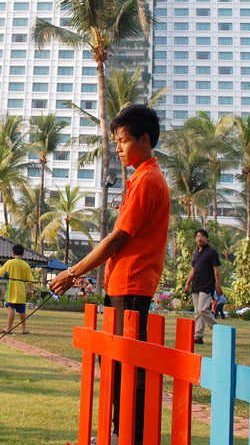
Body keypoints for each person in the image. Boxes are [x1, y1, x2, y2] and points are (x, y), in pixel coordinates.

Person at [49, 105, 170, 445]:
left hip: (131, 285)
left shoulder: (147, 181)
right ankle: (120, 433)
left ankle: (129, 435)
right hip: (124, 284)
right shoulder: (141, 178)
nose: (117, 147)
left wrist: (73, 272)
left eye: (123, 140)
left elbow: (117, 238)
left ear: (144, 141)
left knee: (127, 367)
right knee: (117, 365)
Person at [0, 244, 34, 334]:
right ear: (23, 254)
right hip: (21, 292)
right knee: (22, 311)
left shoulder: (9, 263)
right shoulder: (26, 265)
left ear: (13, 253)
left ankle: (9, 328)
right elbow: (30, 280)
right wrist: (31, 291)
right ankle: (24, 329)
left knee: (11, 308)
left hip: (12, 290)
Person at [184, 228, 222, 343]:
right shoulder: (196, 253)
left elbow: (216, 270)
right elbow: (193, 270)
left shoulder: (212, 252)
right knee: (197, 313)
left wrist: (218, 286)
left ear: (207, 238)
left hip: (207, 285)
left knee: (203, 309)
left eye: (202, 236)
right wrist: (187, 283)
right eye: (197, 236)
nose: (199, 238)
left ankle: (218, 329)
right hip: (196, 285)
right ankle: (198, 336)